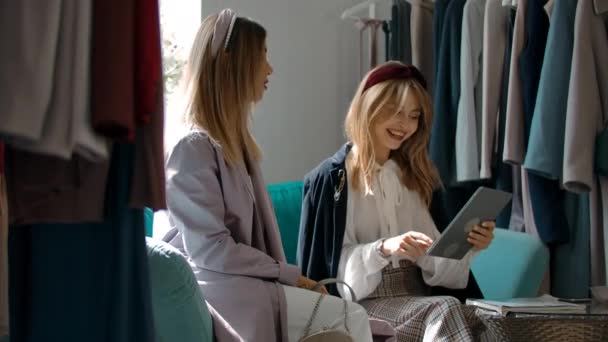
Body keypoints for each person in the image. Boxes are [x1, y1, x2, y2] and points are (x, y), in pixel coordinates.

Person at [163, 9, 373, 342]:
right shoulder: (191, 148)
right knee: (352, 317)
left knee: (346, 318)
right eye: (263, 56)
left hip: (244, 281)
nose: (270, 68)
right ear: (237, 64)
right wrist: (285, 273)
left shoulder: (235, 146)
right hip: (221, 288)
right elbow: (209, 250)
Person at [297, 61, 496, 341]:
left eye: (414, 116)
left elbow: (444, 272)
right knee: (446, 310)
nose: (406, 126)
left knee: (482, 319)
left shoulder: (419, 176)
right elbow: (330, 272)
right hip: (361, 306)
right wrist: (383, 249)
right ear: (369, 107)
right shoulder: (331, 179)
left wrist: (469, 245)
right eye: (396, 112)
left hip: (420, 298)